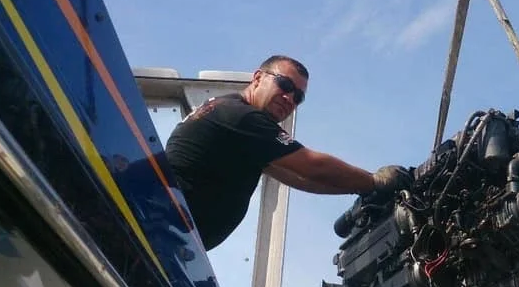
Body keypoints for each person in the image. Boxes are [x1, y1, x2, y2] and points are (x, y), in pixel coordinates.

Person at [165, 55, 411, 251]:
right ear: (258, 78)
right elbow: (313, 166)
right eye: (284, 85)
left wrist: (361, 187)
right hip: (167, 231)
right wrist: (375, 180)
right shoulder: (244, 117)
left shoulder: (233, 120)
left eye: (298, 97)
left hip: (172, 237)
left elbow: (301, 178)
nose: (289, 98)